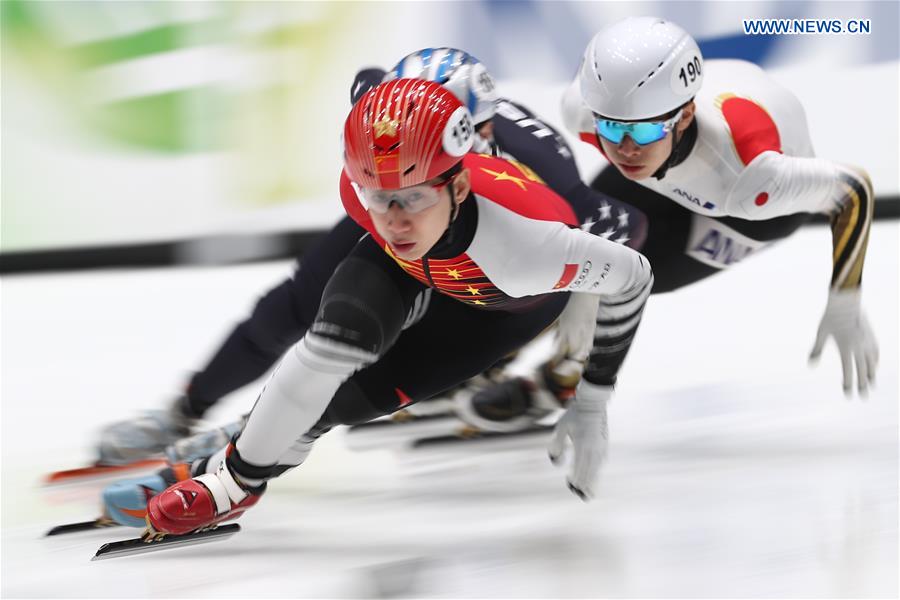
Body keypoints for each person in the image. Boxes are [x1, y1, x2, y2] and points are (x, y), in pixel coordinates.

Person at [139, 78, 653, 537]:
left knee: (344, 404)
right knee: (331, 343)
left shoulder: (530, 248)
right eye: (378, 197)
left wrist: (591, 396)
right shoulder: (365, 193)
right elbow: (381, 149)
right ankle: (236, 482)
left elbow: (634, 276)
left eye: (414, 198)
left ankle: (278, 441)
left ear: (458, 185)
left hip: (496, 308)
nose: (395, 220)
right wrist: (235, 478)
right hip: (414, 265)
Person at [554, 16, 877, 398]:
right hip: (673, 160)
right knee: (568, 246)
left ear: (685, 115)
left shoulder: (752, 179)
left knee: (629, 277)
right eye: (611, 127)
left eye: (642, 129)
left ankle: (560, 379)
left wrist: (844, 297)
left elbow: (853, 190)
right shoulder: (584, 112)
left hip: (746, 213)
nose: (626, 148)